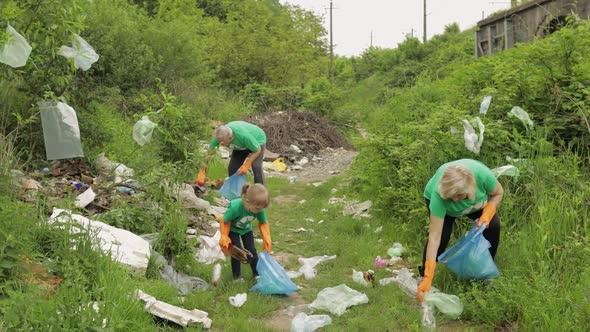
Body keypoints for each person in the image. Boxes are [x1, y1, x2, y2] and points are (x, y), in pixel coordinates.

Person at [417, 159, 503, 302]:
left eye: (459, 196)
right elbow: (434, 236)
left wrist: (489, 210)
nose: (456, 200)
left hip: (476, 204)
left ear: (469, 189)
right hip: (446, 209)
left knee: (493, 226)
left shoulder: (483, 176)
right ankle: (423, 277)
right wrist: (428, 275)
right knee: (442, 237)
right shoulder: (439, 196)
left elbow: (498, 193)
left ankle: (485, 274)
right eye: (452, 197)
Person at [218, 183, 272, 280]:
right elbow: (224, 220)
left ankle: (256, 274)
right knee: (237, 251)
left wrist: (266, 239)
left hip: (246, 229)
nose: (260, 210)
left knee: (252, 250)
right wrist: (224, 236)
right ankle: (237, 276)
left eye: (261, 208)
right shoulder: (235, 207)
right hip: (233, 230)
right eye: (257, 208)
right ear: (247, 202)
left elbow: (263, 223)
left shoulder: (259, 210)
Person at [209, 121, 267, 185]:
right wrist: (202, 171)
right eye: (220, 142)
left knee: (256, 167)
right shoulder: (220, 136)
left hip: (257, 140)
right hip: (241, 145)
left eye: (223, 143)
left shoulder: (243, 136)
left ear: (230, 138)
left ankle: (260, 191)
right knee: (233, 168)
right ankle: (236, 191)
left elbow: (257, 150)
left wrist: (247, 165)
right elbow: (209, 153)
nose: (221, 144)